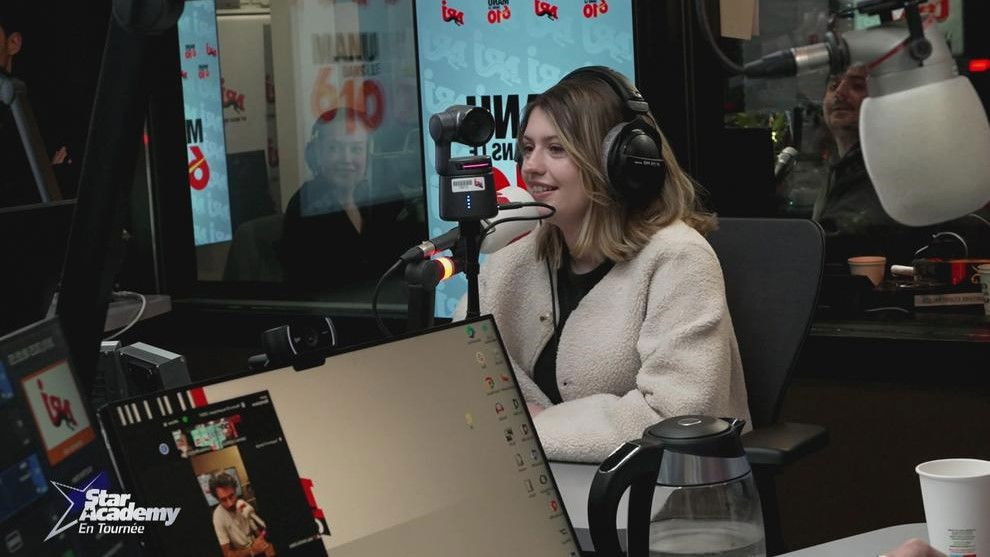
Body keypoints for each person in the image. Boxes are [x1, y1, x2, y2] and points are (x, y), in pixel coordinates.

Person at [458, 67, 751, 463]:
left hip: (659, 487)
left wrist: (534, 427)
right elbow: (462, 370)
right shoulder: (514, 259)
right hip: (538, 479)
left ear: (620, 162)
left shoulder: (679, 260)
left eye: (556, 149)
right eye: (527, 148)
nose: (531, 166)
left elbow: (678, 418)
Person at [812, 65, 990, 266]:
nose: (840, 93)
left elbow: (849, 238)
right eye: (833, 86)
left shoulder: (894, 162)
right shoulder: (845, 166)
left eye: (858, 86)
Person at [226, 107, 420, 288]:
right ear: (317, 154)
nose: (347, 159)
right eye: (334, 148)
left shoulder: (377, 199)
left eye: (356, 149)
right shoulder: (307, 204)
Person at [209, 472, 275, 557]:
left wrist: (266, 546)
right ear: (217, 499)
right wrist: (251, 550)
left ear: (235, 490)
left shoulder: (241, 503)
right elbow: (227, 554)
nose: (230, 503)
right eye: (223, 500)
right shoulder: (218, 517)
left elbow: (257, 530)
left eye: (231, 496)